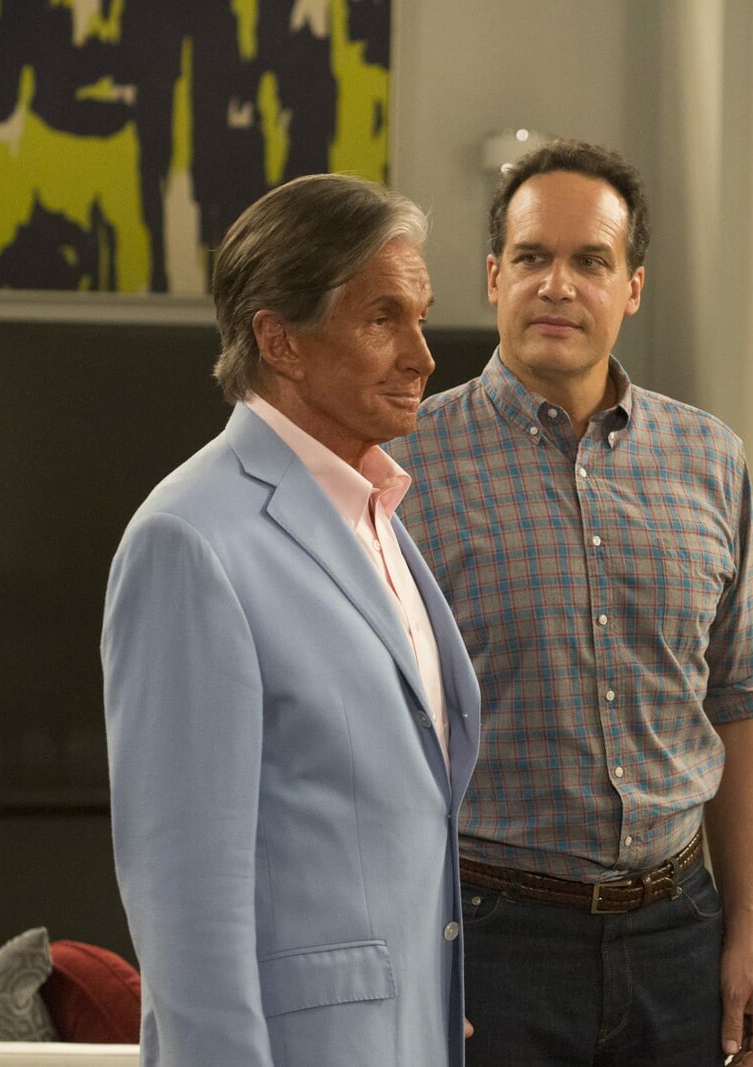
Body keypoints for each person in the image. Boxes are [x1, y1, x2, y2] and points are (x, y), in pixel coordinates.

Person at [387, 139, 753, 1066]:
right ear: (494, 275)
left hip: (680, 935)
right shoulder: (404, 463)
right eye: (532, 256)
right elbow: (366, 738)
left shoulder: (712, 459)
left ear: (631, 287)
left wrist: (746, 932)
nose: (557, 285)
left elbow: (744, 702)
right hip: (490, 941)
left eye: (590, 261)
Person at [101, 173, 480, 1067]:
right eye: (384, 318)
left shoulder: (380, 516)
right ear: (280, 339)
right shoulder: (187, 539)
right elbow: (187, 905)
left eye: (421, 317)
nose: (424, 356)